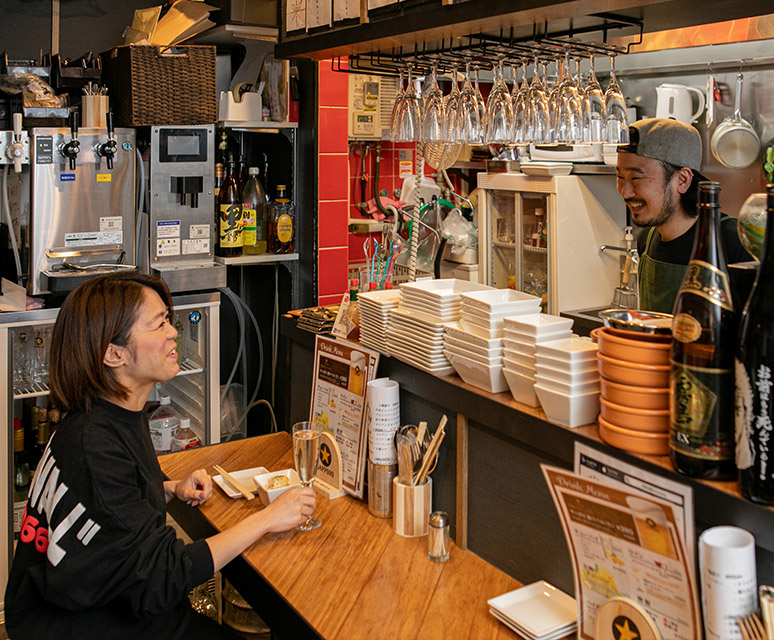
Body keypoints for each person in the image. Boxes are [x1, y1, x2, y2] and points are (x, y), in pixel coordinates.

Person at [4, 272, 316, 639]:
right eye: (158, 324)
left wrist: (166, 488)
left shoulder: (106, 413)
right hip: (90, 623)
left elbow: (108, 510)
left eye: (169, 319)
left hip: (101, 604)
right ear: (114, 353)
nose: (173, 332)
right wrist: (265, 519)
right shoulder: (94, 447)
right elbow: (161, 577)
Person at [615, 118, 752, 313]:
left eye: (636, 178)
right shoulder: (647, 240)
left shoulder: (735, 243)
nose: (625, 192)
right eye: (620, 177)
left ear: (683, 179)